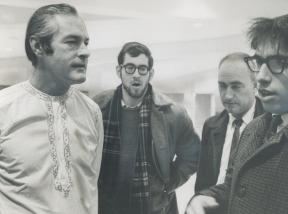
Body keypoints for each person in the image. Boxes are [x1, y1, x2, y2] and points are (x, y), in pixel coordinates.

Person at [185, 13, 288, 214]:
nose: (261, 77)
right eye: (259, 62)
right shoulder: (254, 128)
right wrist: (207, 197)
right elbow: (239, 184)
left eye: (279, 62)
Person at [0, 4, 103, 214]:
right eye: (72, 42)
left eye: (85, 42)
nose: (85, 52)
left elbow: (91, 190)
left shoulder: (92, 112)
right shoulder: (4, 108)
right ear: (38, 46)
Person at [94, 42, 200, 214]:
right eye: (130, 68)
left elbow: (192, 156)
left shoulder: (173, 114)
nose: (136, 75)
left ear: (150, 74)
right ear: (118, 71)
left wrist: (167, 183)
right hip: (105, 206)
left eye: (142, 69)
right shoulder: (98, 107)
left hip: (153, 208)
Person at [194, 52, 264, 193]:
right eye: (222, 86)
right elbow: (203, 181)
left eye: (236, 86)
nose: (227, 95)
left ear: (255, 85)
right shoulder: (211, 126)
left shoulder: (273, 123)